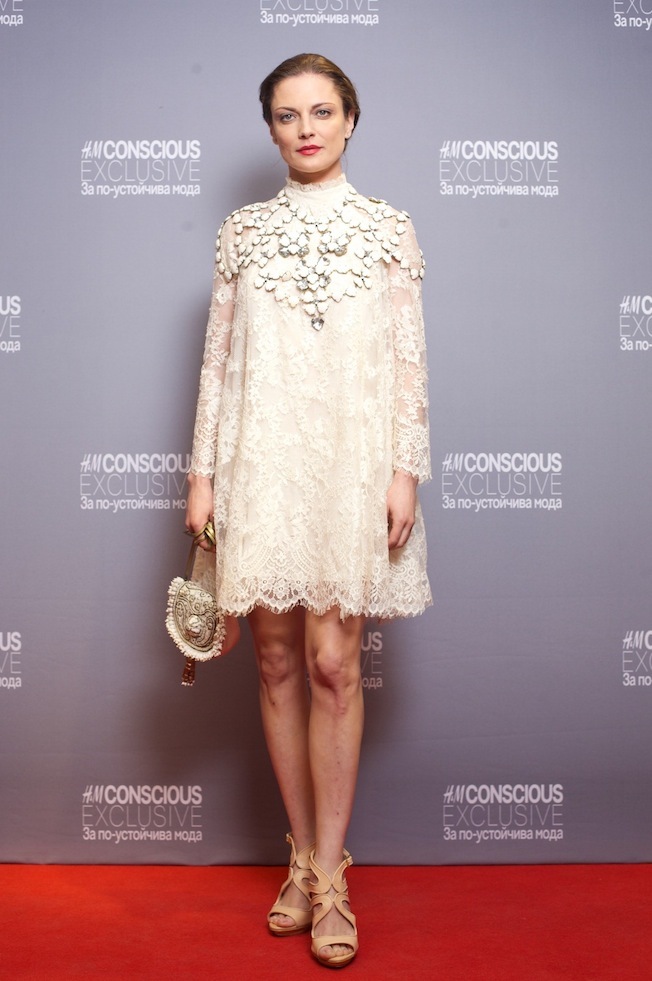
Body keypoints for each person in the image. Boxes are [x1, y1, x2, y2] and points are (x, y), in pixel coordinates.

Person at [185, 52, 431, 969]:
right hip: (261, 464)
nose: (306, 129)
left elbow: (408, 360)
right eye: (287, 116)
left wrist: (405, 470)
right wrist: (202, 476)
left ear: (351, 119)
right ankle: (300, 861)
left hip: (352, 469)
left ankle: (333, 874)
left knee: (334, 661)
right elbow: (218, 361)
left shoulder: (388, 229)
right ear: (271, 130)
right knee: (278, 658)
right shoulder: (242, 234)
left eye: (322, 111)